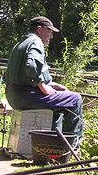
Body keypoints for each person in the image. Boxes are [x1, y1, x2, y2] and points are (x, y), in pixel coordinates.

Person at [5, 16, 83, 144]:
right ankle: (71, 146)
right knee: (75, 99)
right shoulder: (36, 42)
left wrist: (51, 85)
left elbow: (24, 75)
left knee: (58, 105)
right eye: (50, 32)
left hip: (14, 95)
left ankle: (51, 144)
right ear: (40, 29)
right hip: (25, 96)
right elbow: (31, 66)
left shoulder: (22, 43)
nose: (51, 36)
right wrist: (43, 87)